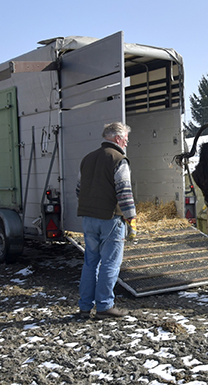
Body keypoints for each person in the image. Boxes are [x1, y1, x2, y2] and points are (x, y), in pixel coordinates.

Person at [77, 122, 136, 320]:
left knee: (90, 263)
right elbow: (124, 191)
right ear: (118, 139)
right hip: (110, 218)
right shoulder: (119, 159)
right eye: (126, 139)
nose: (127, 142)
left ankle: (84, 307)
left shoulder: (87, 159)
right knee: (110, 263)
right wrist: (131, 217)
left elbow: (79, 189)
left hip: (88, 219)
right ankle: (104, 306)